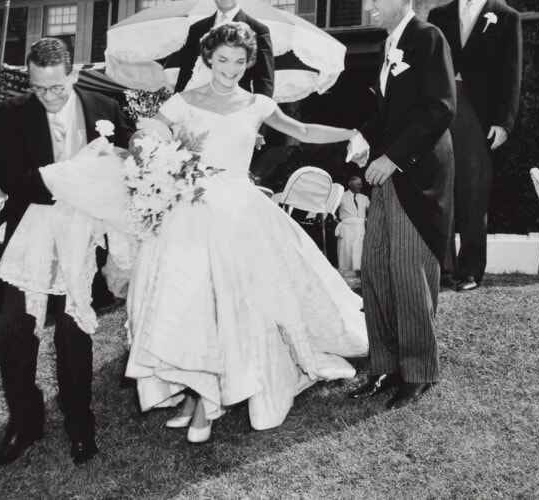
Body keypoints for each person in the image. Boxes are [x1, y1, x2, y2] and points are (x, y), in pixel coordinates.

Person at [124, 22, 368, 443]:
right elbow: (150, 132)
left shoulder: (257, 102)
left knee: (229, 301)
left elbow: (303, 132)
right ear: (208, 59)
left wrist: (350, 132)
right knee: (189, 300)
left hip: (239, 211)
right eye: (222, 61)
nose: (230, 69)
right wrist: (143, 145)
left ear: (249, 62)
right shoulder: (183, 101)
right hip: (191, 206)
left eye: (239, 61)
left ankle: (207, 400)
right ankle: (191, 389)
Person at [0, 38, 134, 467]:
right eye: (38, 88)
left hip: (85, 235)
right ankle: (25, 423)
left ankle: (79, 423)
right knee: (13, 327)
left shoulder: (105, 105)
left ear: (73, 75)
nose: (48, 97)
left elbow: (127, 152)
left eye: (57, 88)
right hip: (31, 231)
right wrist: (67, 182)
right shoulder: (14, 112)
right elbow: (5, 172)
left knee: (73, 332)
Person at [347, 0, 456, 410]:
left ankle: (419, 370)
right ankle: (386, 366)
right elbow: (390, 113)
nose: (369, 6)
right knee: (375, 267)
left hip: (419, 175)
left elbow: (440, 107)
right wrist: (362, 136)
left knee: (409, 271)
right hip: (387, 172)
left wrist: (392, 157)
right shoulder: (387, 44)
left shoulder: (428, 37)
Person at [427, 0, 522, 293]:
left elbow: (512, 75)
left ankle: (470, 270)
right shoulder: (438, 16)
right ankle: (443, 268)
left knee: (473, 193)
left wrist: (504, 122)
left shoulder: (506, 17)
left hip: (479, 115)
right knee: (441, 190)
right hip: (442, 111)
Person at [159, 0, 274, 97]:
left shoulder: (258, 31)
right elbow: (185, 76)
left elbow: (264, 85)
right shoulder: (197, 29)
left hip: (235, 110)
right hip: (197, 108)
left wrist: (255, 115)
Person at [335, 176, 369, 273]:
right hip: (347, 228)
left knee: (360, 250)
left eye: (361, 184)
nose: (361, 186)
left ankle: (360, 272)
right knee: (347, 250)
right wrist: (337, 221)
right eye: (358, 184)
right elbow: (330, 210)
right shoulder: (341, 196)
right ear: (351, 184)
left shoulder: (364, 198)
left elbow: (373, 211)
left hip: (361, 228)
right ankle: (346, 271)